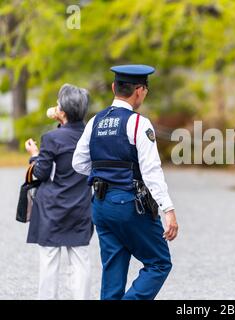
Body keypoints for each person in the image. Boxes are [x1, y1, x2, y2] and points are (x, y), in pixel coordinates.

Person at [72, 64, 178, 300]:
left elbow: (78, 163)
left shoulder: (94, 122)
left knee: (113, 268)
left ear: (114, 87)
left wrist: (103, 174)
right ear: (140, 91)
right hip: (130, 204)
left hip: (100, 205)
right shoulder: (139, 124)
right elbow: (151, 170)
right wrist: (168, 209)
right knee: (159, 263)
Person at [25, 84, 93, 300]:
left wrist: (34, 155)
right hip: (81, 206)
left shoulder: (52, 139)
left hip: (52, 208)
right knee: (81, 261)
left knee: (49, 262)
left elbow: (41, 173)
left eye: (58, 104)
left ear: (62, 112)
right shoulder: (91, 136)